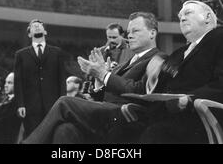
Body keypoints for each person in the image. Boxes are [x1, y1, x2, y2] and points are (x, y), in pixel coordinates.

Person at [22, 12, 163, 144]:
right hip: (107, 113)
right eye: (128, 32)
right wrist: (99, 78)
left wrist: (103, 73)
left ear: (152, 33)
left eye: (135, 31)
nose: (129, 36)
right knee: (65, 130)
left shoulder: (158, 58)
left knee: (64, 102)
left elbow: (141, 89)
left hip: (125, 116)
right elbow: (102, 95)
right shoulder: (127, 62)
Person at [135, 0, 223, 144]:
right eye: (180, 16)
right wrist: (153, 78)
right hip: (166, 115)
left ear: (207, 17)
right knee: (116, 120)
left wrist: (188, 99)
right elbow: (163, 85)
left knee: (153, 134)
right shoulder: (179, 52)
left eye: (188, 13)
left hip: (202, 119)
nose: (182, 18)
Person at [14, 19, 66, 137]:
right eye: (34, 26)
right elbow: (18, 82)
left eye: (39, 26)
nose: (37, 27)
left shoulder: (56, 52)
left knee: (52, 135)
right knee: (32, 136)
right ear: (29, 34)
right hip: (30, 105)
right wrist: (20, 104)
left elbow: (62, 79)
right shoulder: (21, 54)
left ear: (45, 32)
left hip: (53, 104)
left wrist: (62, 102)